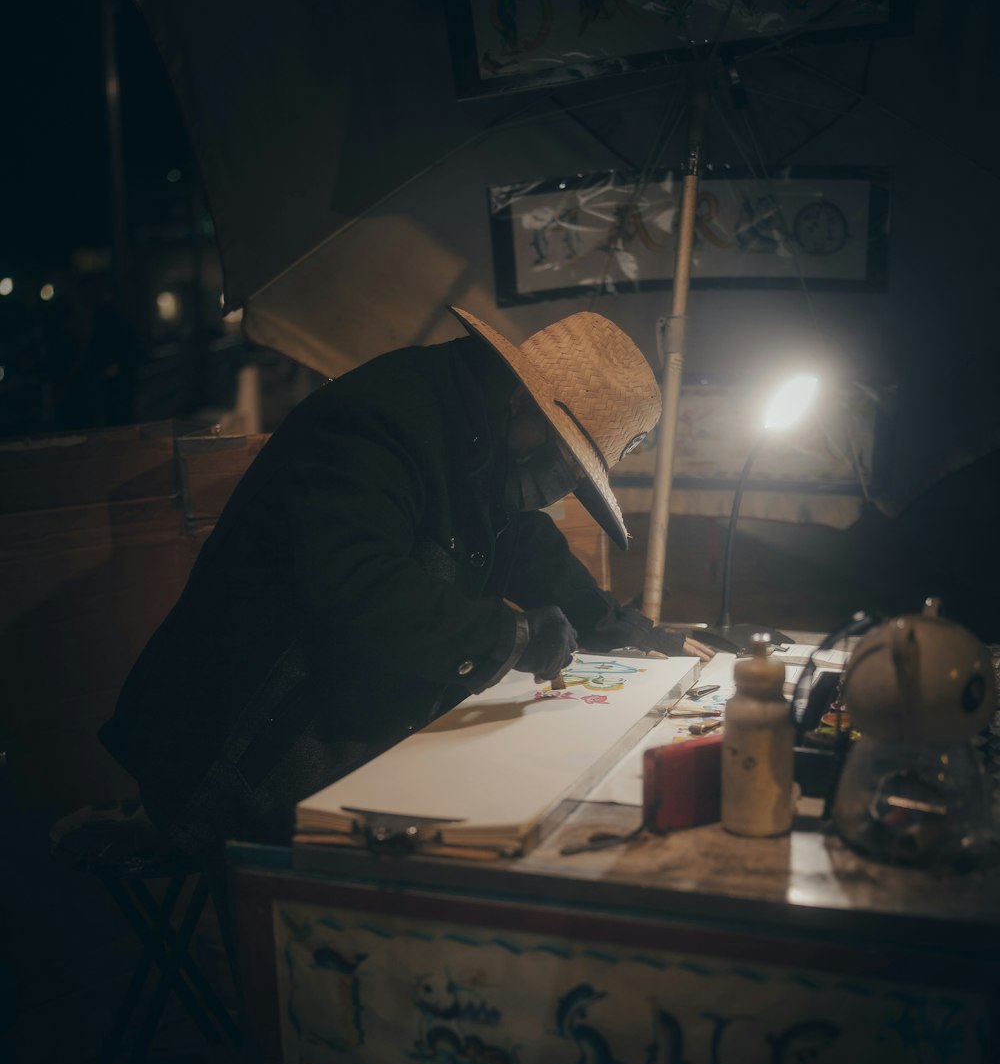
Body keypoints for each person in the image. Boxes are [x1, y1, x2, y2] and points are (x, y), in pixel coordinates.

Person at [99, 305, 712, 859]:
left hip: (342, 726)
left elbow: (527, 544)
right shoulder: (379, 421)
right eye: (566, 463)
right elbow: (356, 585)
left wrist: (647, 636)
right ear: (525, 403)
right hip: (240, 746)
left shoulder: (489, 438)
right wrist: (512, 638)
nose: (561, 488)